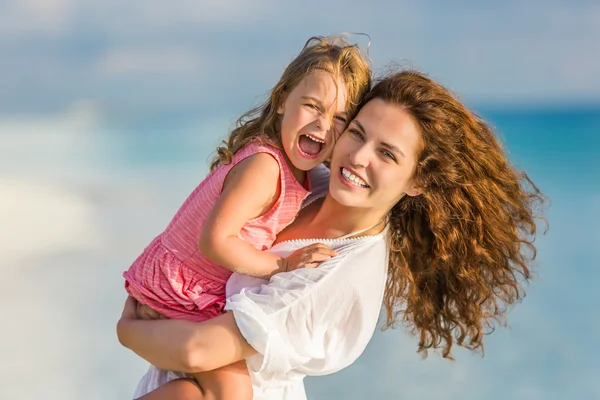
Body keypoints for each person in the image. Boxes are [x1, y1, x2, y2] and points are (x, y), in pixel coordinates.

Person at [117, 70, 546, 400]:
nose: (358, 157)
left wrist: (128, 326)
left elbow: (196, 352)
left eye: (387, 153)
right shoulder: (310, 182)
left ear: (418, 180)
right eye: (356, 132)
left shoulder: (339, 274)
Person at [121, 35, 372, 399]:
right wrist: (281, 268)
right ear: (283, 99)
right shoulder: (265, 166)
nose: (323, 123)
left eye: (340, 118)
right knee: (234, 395)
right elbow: (215, 240)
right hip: (180, 292)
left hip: (194, 293)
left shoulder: (301, 172)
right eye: (313, 105)